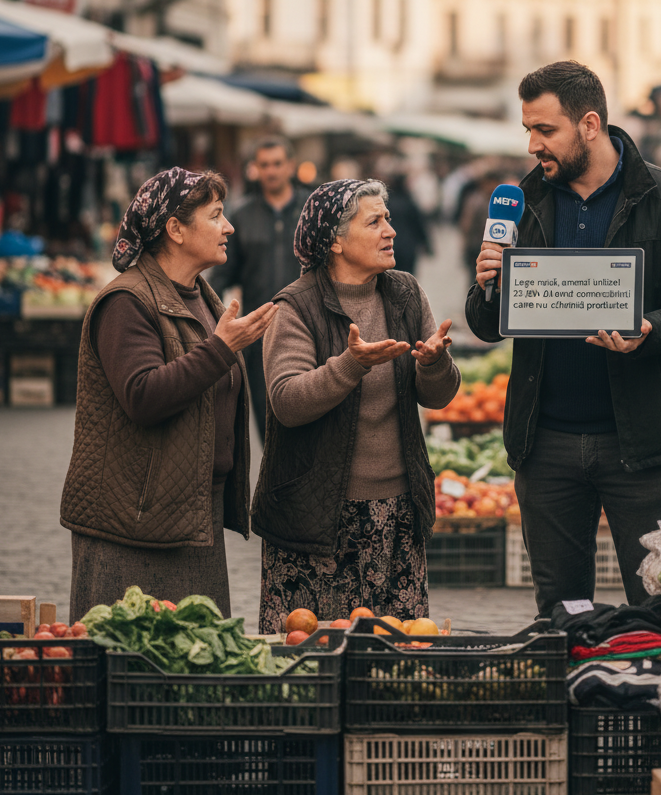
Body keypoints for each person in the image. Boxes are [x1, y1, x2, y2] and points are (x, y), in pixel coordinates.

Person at [466, 61, 661, 615]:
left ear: (589, 124)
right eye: (528, 131)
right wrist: (489, 283)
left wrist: (652, 327)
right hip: (546, 444)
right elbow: (486, 327)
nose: (534, 145)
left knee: (657, 607)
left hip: (641, 444)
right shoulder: (523, 202)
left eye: (545, 130)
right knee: (561, 613)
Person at [60, 168, 276, 620]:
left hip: (194, 513)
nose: (229, 226)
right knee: (132, 666)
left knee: (193, 666)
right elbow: (143, 396)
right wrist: (223, 348)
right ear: (175, 229)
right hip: (134, 525)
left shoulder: (201, 293)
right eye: (216, 215)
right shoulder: (126, 302)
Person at [252, 179, 461, 631]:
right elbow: (287, 401)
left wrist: (435, 364)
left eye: (387, 219)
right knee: (312, 655)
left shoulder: (404, 292)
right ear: (336, 242)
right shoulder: (296, 307)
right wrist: (350, 364)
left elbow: (438, 396)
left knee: (394, 655)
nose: (391, 231)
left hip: (397, 514)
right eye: (375, 221)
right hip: (316, 519)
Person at [208, 137, 309, 440]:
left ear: (290, 166)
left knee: (308, 414)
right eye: (264, 165)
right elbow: (222, 275)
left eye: (277, 163)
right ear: (255, 169)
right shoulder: (241, 216)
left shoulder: (311, 210)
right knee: (268, 422)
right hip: (259, 335)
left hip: (307, 328)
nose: (271, 171)